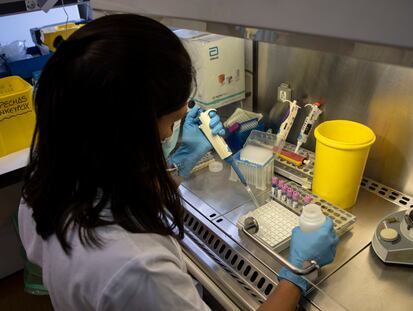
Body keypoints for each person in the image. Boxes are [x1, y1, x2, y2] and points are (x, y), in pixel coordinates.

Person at [18, 14, 338, 311]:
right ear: (128, 134)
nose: (171, 134)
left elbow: (115, 193)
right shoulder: (137, 269)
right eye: (172, 122)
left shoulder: (46, 183)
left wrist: (176, 165)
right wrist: (298, 274)